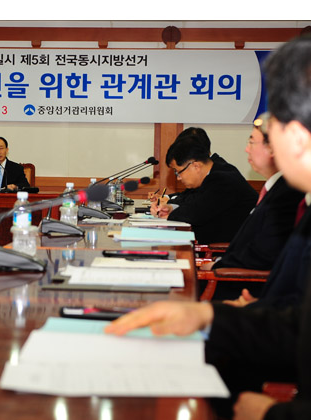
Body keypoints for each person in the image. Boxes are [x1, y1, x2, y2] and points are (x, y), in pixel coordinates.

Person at [106, 34, 311, 420]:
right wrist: (213, 316)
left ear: (297, 135)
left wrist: (271, 414)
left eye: (270, 124)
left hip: (245, 293)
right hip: (258, 308)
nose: (255, 144)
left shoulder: (265, 189)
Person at [201, 116, 304, 273]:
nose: (246, 149)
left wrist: (218, 266)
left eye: (251, 142)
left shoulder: (289, 194)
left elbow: (266, 253)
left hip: (243, 281)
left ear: (272, 148)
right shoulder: (275, 188)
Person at [153, 135, 258, 244]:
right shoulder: (212, 173)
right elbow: (191, 202)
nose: (178, 178)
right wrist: (170, 208)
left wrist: (170, 215)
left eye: (178, 172)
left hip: (235, 247)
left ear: (196, 166)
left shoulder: (223, 179)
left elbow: (195, 213)